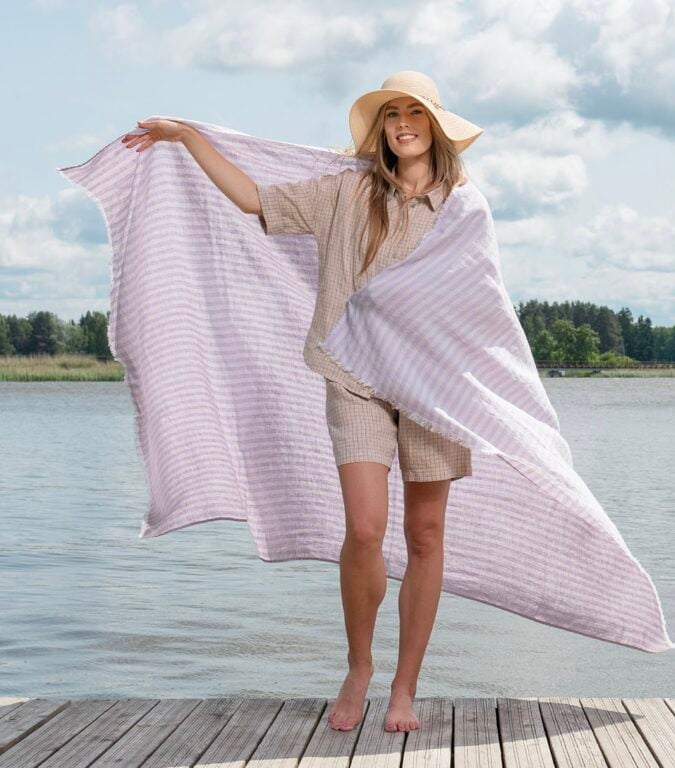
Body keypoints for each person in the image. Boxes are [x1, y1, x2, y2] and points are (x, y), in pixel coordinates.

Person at [121, 70, 484, 733]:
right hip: (355, 381)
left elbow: (480, 304)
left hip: (435, 388)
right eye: (392, 113)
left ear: (435, 126)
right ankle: (359, 666)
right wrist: (186, 138)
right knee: (366, 530)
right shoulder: (345, 191)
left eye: (416, 112)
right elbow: (255, 200)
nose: (403, 123)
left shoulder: (465, 207)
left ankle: (405, 688)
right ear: (382, 128)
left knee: (426, 535)